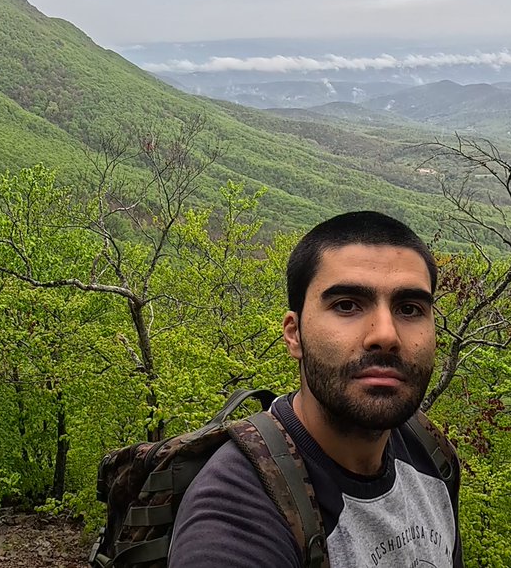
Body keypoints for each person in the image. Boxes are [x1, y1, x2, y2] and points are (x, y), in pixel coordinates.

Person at [169, 211, 463, 567]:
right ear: (294, 334)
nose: (385, 335)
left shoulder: (429, 453)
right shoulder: (236, 512)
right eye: (346, 305)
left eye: (410, 308)